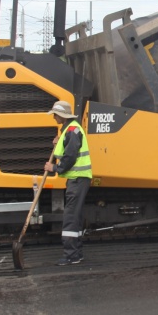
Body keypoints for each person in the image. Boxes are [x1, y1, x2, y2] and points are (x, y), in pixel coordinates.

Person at [44, 100, 92, 266]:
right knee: (75, 216)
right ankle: (76, 253)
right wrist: (59, 143)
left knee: (70, 216)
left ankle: (71, 255)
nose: (54, 117)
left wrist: (54, 167)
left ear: (62, 115)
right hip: (78, 178)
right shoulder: (69, 130)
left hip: (77, 179)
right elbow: (68, 150)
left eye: (55, 115)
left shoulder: (72, 131)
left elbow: (70, 157)